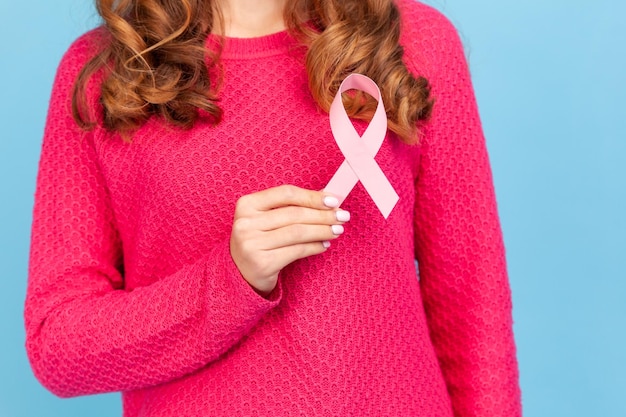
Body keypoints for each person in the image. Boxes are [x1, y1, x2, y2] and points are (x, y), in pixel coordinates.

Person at [25, 0, 522, 415]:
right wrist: (228, 282)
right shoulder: (105, 73)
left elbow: (473, 303)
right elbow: (58, 347)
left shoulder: (413, 42)